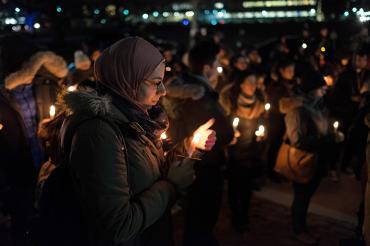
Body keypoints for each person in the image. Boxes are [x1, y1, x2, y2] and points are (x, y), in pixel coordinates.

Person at [40, 37, 216, 246]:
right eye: (155, 83)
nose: (163, 91)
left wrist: (190, 145)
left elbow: (144, 167)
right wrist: (171, 186)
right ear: (127, 79)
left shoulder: (133, 119)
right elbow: (117, 226)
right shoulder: (98, 133)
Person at [163, 40, 234, 246]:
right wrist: (229, 133)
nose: (218, 68)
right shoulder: (199, 95)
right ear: (206, 68)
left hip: (192, 162)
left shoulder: (185, 86)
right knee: (201, 216)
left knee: (196, 216)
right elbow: (219, 131)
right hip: (204, 165)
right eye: (216, 64)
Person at [0, 34, 68, 246]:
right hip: (17, 173)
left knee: (52, 223)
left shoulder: (46, 85)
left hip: (49, 167)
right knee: (22, 225)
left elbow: (63, 120)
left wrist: (51, 130)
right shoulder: (3, 97)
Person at [279, 68, 341, 245]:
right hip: (302, 161)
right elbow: (297, 140)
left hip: (315, 159)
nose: (325, 90)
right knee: (301, 196)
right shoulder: (297, 111)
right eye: (321, 87)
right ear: (312, 89)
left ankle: (301, 225)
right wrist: (326, 139)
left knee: (306, 196)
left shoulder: (319, 106)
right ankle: (298, 229)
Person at [219, 70, 267, 232]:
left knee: (247, 188)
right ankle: (235, 215)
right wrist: (230, 134)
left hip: (251, 153)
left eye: (255, 82)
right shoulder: (231, 104)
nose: (254, 86)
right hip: (235, 154)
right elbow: (224, 129)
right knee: (235, 187)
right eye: (250, 82)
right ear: (241, 84)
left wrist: (261, 135)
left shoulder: (259, 106)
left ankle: (244, 216)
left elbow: (263, 126)